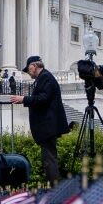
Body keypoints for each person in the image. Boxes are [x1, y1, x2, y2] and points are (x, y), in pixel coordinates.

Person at [18, 55, 69, 183]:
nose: (29, 74)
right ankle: (54, 188)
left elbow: (43, 98)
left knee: (49, 160)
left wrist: (24, 99)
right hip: (47, 128)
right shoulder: (43, 78)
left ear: (33, 66)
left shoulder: (45, 77)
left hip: (48, 127)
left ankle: (55, 190)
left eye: (29, 70)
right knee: (49, 159)